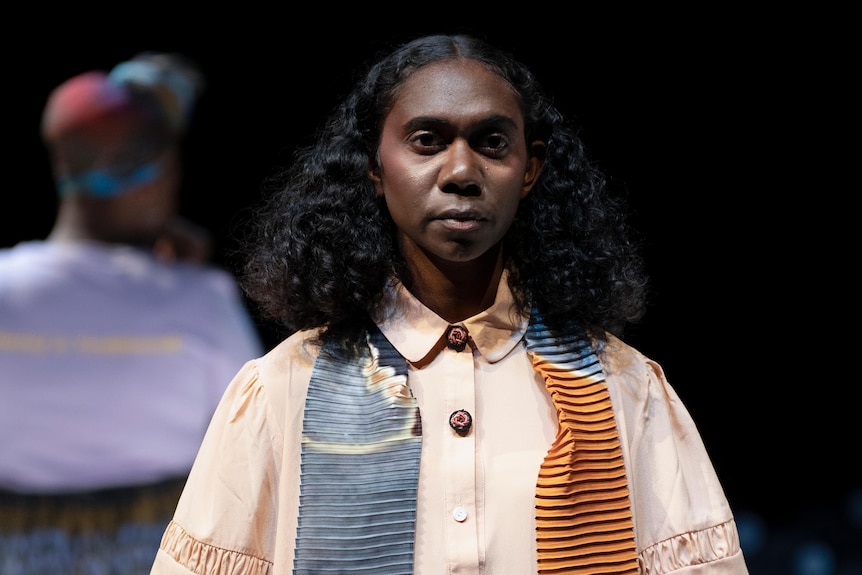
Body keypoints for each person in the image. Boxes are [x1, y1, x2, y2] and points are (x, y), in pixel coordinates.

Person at [149, 34, 749, 574]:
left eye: (492, 143)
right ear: (374, 167)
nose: (461, 170)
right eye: (427, 141)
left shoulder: (624, 389)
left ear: (530, 168)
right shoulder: (284, 389)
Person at [0, 52, 265, 574]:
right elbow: (252, 449)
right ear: (159, 174)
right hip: (161, 551)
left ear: (62, 165)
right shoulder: (202, 301)